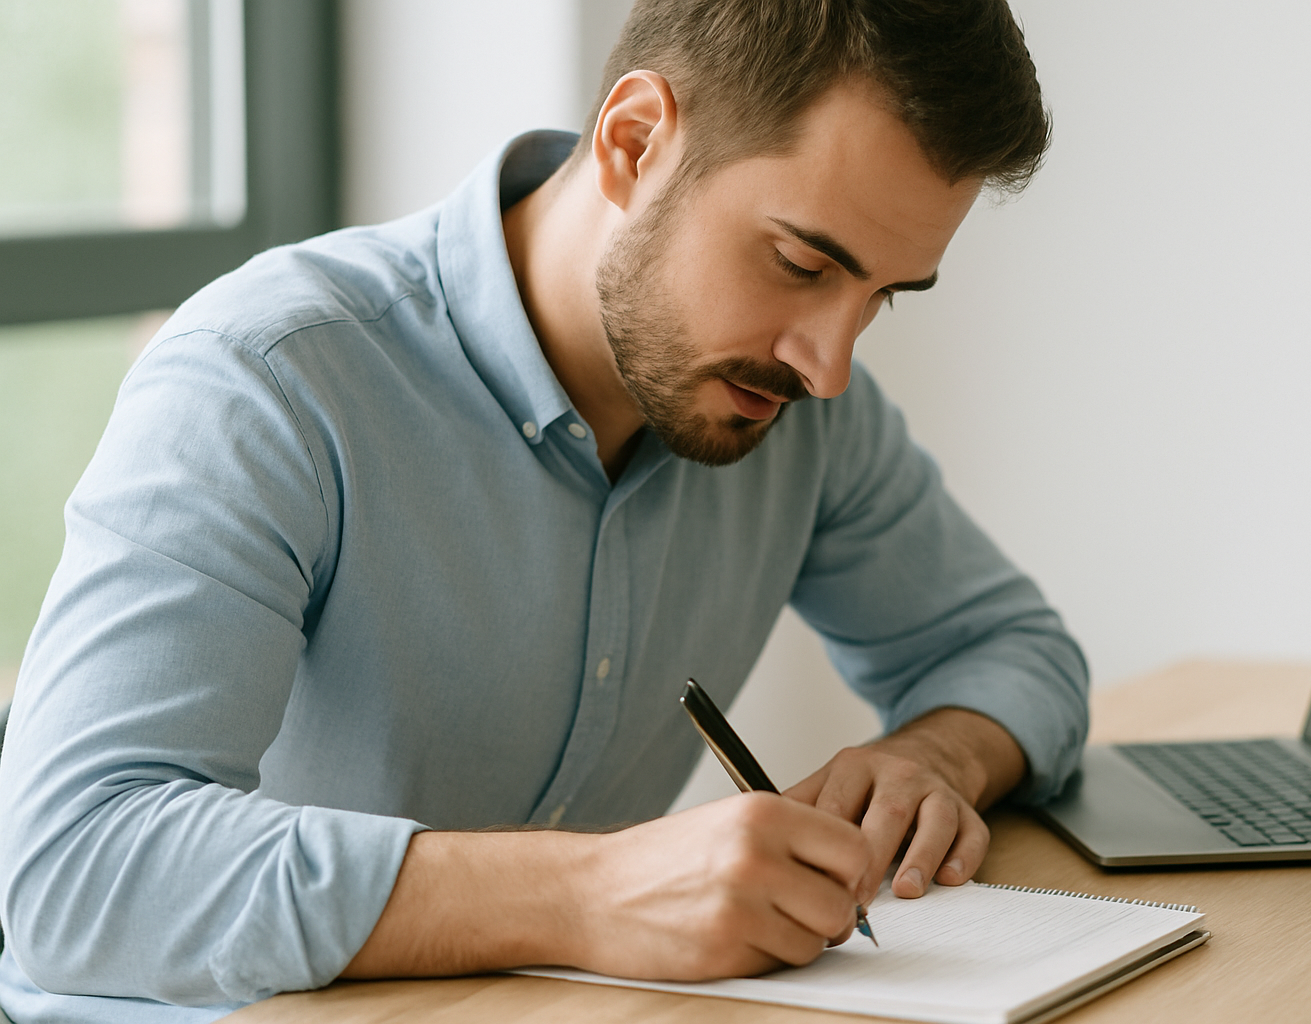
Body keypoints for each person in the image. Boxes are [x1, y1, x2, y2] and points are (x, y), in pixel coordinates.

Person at [0, 1, 1088, 1021]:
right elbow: (71, 869)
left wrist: (937, 760)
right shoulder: (268, 379)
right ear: (634, 143)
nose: (830, 365)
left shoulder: (797, 413)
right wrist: (588, 892)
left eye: (882, 296)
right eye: (801, 263)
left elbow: (1014, 651)